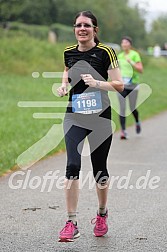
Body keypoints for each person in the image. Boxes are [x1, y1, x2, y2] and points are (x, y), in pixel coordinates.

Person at [57, 10, 123, 242]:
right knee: (72, 165)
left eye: (86, 25)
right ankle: (71, 221)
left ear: (95, 29)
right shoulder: (68, 52)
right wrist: (63, 86)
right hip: (74, 116)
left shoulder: (105, 52)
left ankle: (102, 213)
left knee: (99, 170)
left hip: (100, 119)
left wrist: (97, 83)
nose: (81, 29)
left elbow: (119, 85)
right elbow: (66, 71)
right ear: (74, 29)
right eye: (78, 25)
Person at [117, 36, 143, 139]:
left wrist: (131, 62)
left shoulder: (134, 55)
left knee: (132, 108)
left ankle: (137, 121)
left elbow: (141, 70)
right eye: (122, 42)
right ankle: (123, 131)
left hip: (133, 85)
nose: (124, 44)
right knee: (122, 108)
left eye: (126, 42)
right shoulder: (119, 56)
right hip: (122, 86)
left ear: (130, 44)